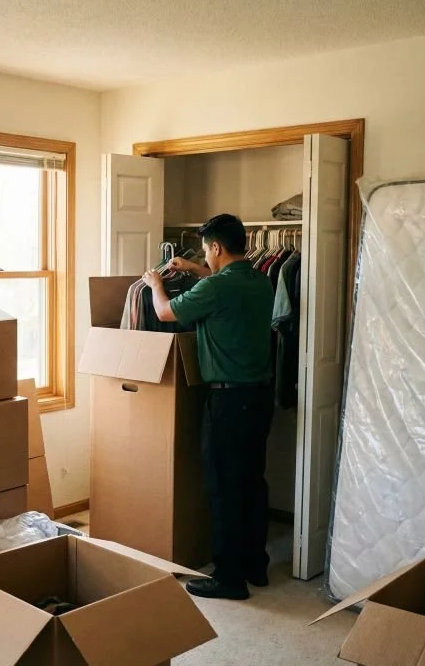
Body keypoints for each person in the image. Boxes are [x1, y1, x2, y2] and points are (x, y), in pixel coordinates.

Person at [142, 213, 275, 600]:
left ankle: (229, 578)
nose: (205, 257)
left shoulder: (217, 288)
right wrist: (196, 268)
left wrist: (155, 285)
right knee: (252, 482)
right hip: (259, 396)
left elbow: (166, 312)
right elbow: (219, 284)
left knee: (223, 486)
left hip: (228, 400)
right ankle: (255, 566)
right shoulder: (259, 281)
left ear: (216, 247)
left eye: (205, 250)